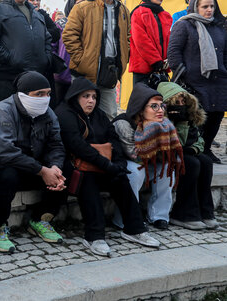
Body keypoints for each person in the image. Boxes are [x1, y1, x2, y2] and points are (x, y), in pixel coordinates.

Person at [55, 77, 160, 257]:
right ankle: (94, 236)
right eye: (86, 96)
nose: (91, 101)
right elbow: (77, 146)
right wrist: (108, 165)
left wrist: (118, 162)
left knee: (121, 178)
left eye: (94, 97)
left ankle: (134, 229)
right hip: (75, 166)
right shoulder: (65, 113)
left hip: (101, 164)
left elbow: (112, 138)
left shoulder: (98, 114)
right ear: (75, 97)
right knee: (89, 183)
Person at [0, 71, 67, 253]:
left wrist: (54, 168)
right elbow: (4, 152)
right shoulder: (2, 111)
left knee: (65, 170)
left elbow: (56, 145)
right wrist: (42, 171)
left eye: (48, 93)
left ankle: (41, 219)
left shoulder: (48, 113)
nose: (45, 99)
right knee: (7, 175)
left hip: (27, 164)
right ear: (23, 95)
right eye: (39, 94)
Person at [62, 0, 131, 119]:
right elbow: (69, 36)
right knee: (81, 116)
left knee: (109, 116)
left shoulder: (123, 10)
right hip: (84, 74)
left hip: (110, 73)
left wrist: (123, 61)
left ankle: (105, 144)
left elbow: (128, 38)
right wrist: (83, 61)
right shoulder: (82, 8)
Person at [112, 83, 183, 230]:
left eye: (162, 106)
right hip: (126, 162)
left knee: (166, 168)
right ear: (141, 108)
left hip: (147, 160)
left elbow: (172, 152)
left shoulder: (162, 124)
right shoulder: (123, 124)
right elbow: (134, 154)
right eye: (154, 106)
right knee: (136, 172)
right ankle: (127, 219)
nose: (160, 110)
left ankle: (159, 216)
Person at [168, 0, 227, 164]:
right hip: (193, 81)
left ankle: (207, 148)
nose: (209, 10)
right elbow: (173, 53)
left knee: (216, 116)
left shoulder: (219, 26)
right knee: (197, 117)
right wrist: (185, 73)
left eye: (212, 6)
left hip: (218, 80)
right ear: (196, 7)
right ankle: (195, 149)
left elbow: (224, 53)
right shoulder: (185, 25)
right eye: (205, 7)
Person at [157, 82, 218, 229]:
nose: (181, 105)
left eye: (183, 101)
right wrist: (177, 122)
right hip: (165, 155)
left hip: (184, 152)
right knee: (192, 163)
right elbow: (168, 144)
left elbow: (199, 141)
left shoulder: (189, 117)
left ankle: (205, 212)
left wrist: (193, 149)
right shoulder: (162, 120)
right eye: (176, 102)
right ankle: (183, 214)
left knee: (205, 161)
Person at [129, 0, 172, 85]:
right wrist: (156, 61)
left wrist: (167, 61)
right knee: (143, 100)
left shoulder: (165, 15)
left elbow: (168, 40)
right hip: (143, 70)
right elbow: (141, 41)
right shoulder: (139, 12)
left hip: (161, 69)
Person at [53, 0, 88, 104]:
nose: (82, 6)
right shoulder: (61, 24)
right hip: (62, 76)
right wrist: (57, 67)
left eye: (85, 3)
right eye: (78, 3)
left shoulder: (92, 27)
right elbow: (52, 47)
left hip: (84, 77)